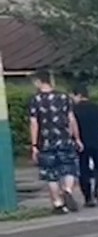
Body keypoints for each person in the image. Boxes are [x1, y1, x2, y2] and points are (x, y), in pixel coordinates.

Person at [28, 70, 83, 214]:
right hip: (65, 139)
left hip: (46, 142)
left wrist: (34, 145)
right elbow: (71, 119)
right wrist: (77, 138)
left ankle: (58, 204)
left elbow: (34, 124)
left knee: (51, 174)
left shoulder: (35, 100)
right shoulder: (64, 97)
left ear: (38, 82)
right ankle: (68, 190)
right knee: (69, 168)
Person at [72, 84, 98, 207]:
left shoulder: (73, 110)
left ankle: (88, 198)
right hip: (97, 142)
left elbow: (71, 127)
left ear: (78, 95)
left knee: (84, 170)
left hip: (81, 144)